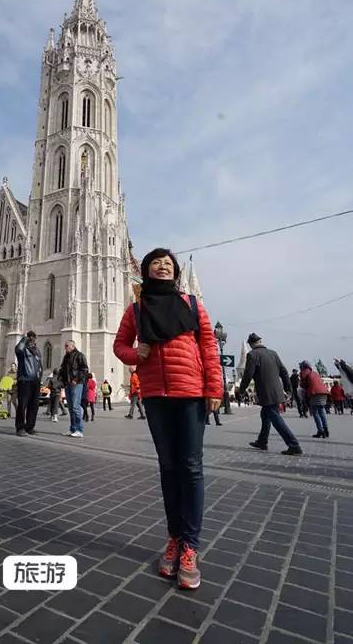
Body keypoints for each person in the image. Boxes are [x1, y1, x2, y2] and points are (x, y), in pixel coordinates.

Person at [114, 248, 223, 590]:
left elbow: (209, 347)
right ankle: (174, 537)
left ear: (174, 272)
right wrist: (136, 354)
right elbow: (120, 345)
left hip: (190, 393)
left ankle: (190, 545)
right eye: (155, 263)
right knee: (168, 468)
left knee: (190, 468)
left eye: (167, 263)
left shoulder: (191, 305)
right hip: (156, 396)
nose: (162, 267)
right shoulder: (136, 308)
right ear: (146, 271)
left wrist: (214, 388)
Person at [239, 334, 302, 455]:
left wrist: (241, 390)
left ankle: (294, 444)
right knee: (265, 415)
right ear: (261, 341)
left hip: (266, 392)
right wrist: (288, 389)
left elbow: (248, 375)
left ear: (251, 344)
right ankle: (262, 441)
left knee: (275, 418)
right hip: (277, 391)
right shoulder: (273, 353)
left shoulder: (252, 355)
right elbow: (283, 372)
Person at [59, 340, 89, 438]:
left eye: (66, 346)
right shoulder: (66, 357)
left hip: (77, 384)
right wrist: (62, 381)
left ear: (72, 346)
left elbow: (84, 370)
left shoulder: (79, 355)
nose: (65, 347)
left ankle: (79, 430)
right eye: (65, 346)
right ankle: (72, 428)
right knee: (71, 408)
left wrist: (76, 380)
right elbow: (62, 370)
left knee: (76, 407)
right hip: (68, 384)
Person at [14, 331, 43, 436]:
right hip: (25, 379)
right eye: (31, 338)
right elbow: (17, 349)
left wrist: (40, 378)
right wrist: (24, 338)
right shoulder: (23, 351)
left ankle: (30, 427)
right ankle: (20, 428)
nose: (32, 340)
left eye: (34, 338)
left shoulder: (37, 350)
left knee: (34, 405)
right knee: (22, 405)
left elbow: (39, 365)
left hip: (36, 381)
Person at [299, 361, 330, 438]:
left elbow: (303, 385)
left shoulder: (303, 372)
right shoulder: (315, 372)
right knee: (321, 411)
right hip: (323, 392)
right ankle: (326, 430)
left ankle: (320, 430)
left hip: (315, 393)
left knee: (315, 412)